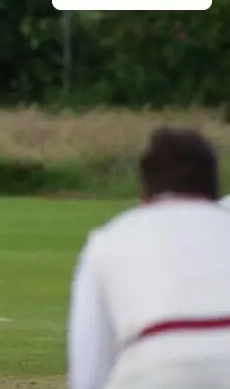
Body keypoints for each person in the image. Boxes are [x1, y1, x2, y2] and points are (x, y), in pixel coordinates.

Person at [67, 126, 230, 389]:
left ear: (144, 193)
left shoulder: (109, 239)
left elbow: (89, 369)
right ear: (214, 189)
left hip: (157, 365)